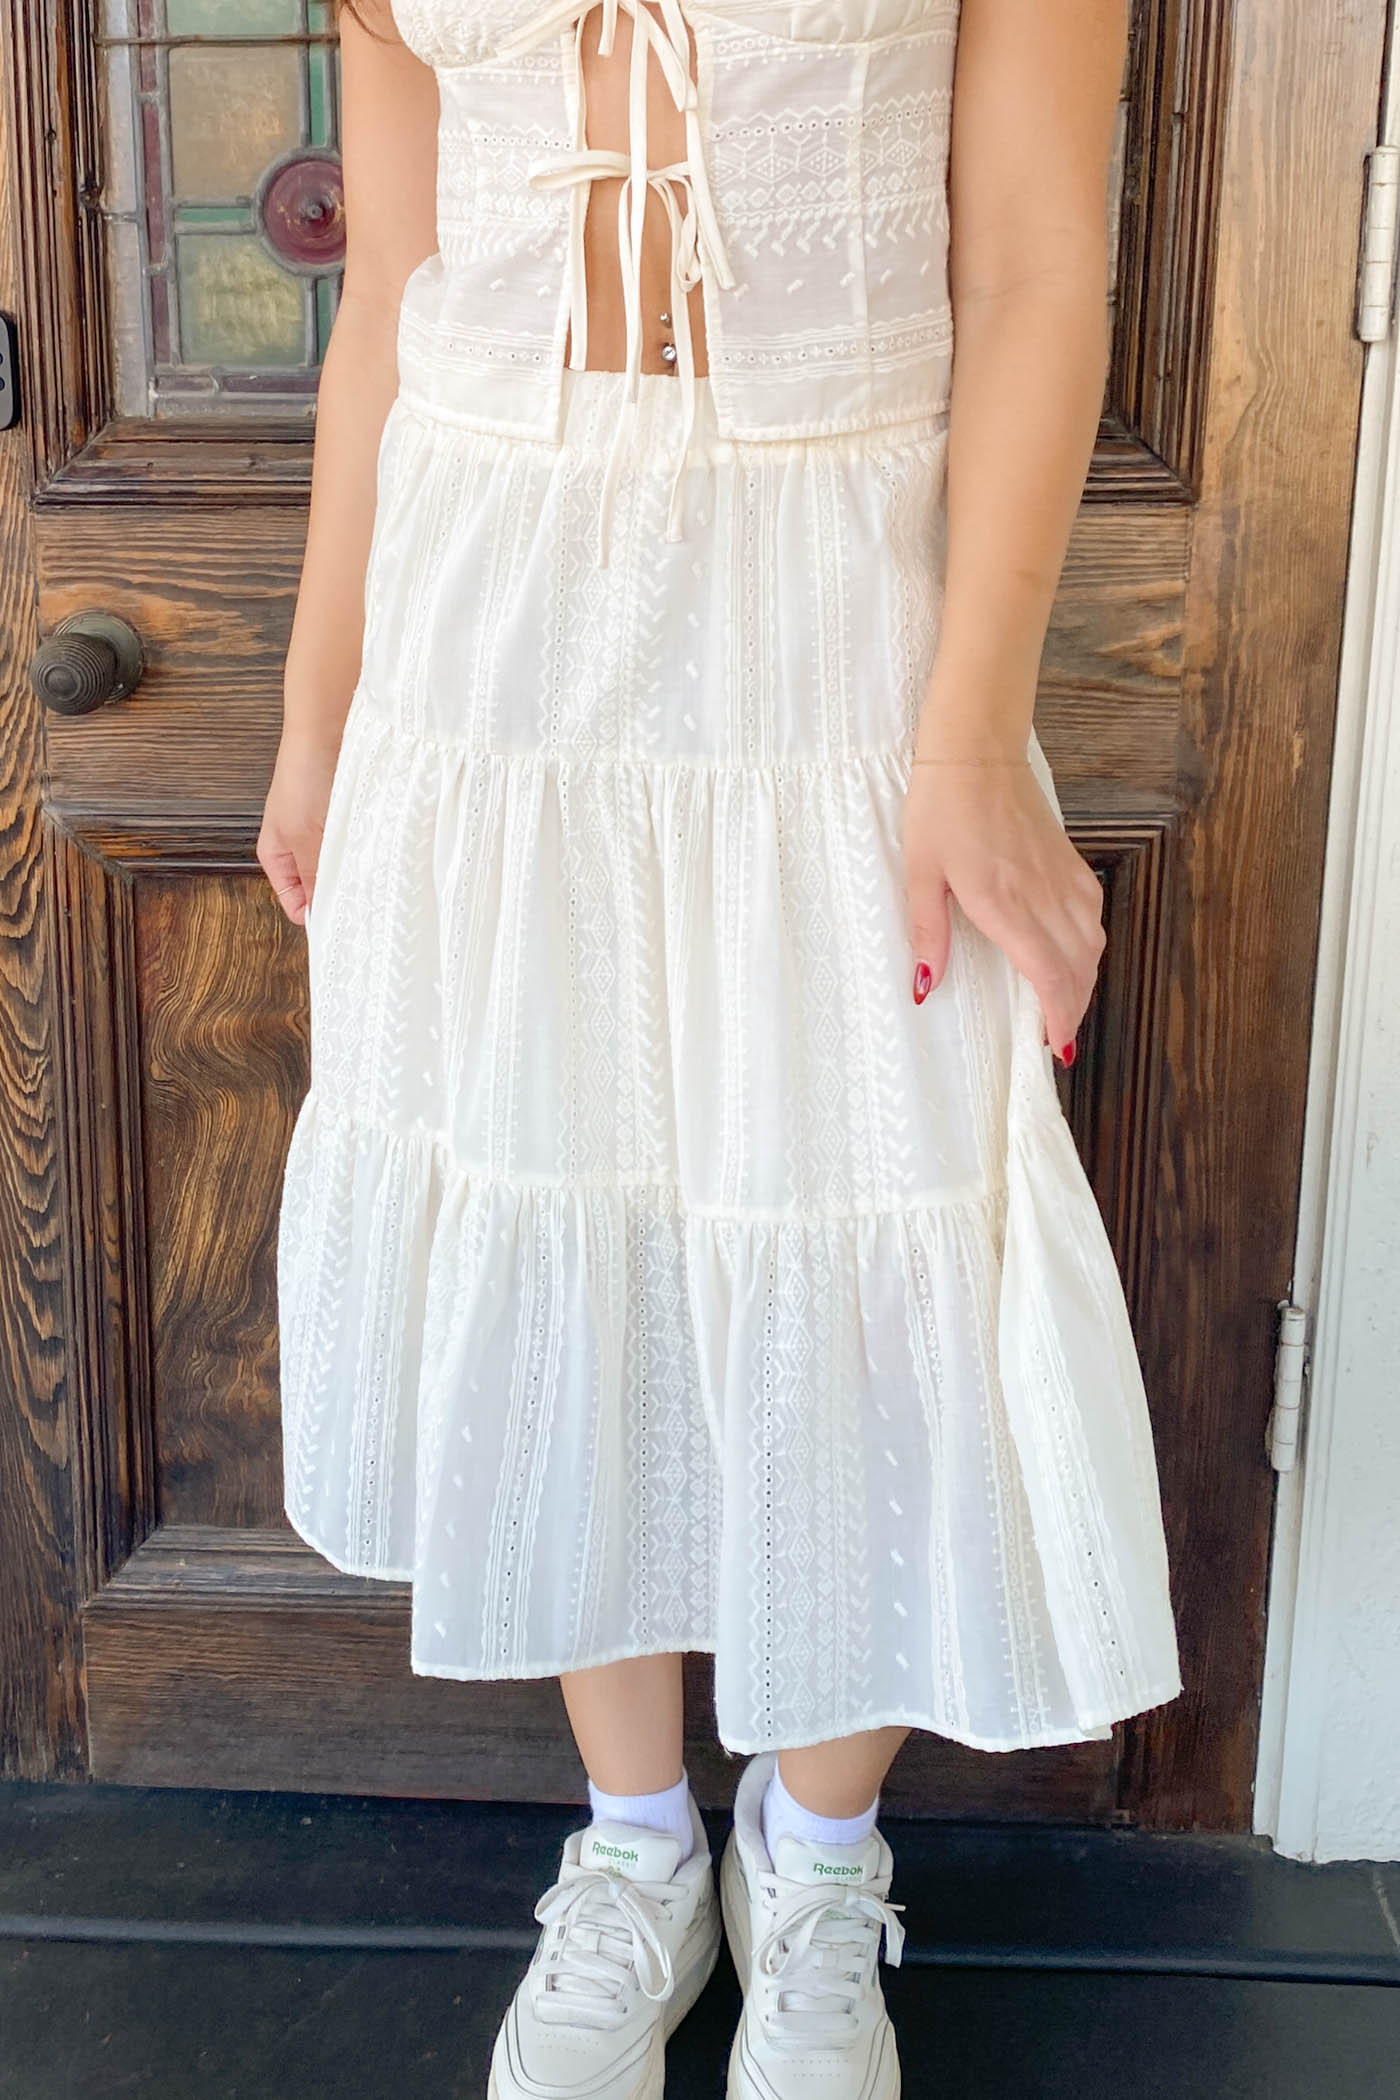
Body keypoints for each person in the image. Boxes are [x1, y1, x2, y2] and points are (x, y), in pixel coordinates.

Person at [260, 2, 1182, 2094]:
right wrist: (321, 706)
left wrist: (963, 741)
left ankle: (824, 1864)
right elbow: (393, 295)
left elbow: (1037, 261)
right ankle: (638, 1846)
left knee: (865, 1217)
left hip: (840, 628)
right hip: (489, 640)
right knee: (570, 1214)